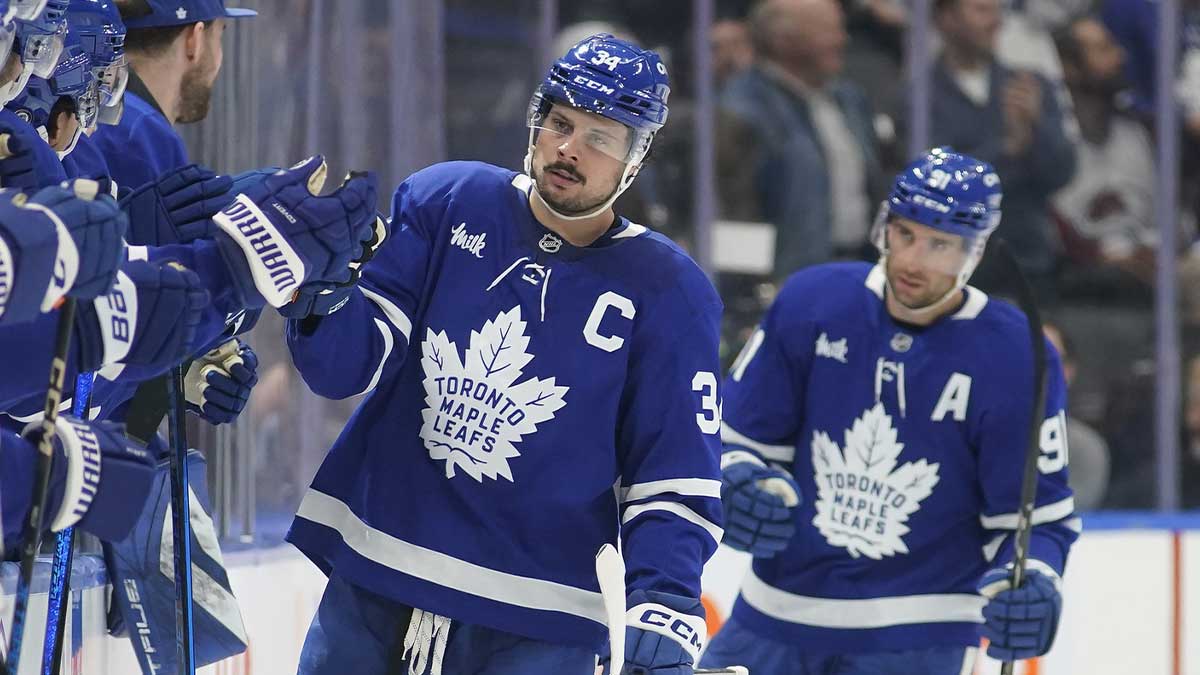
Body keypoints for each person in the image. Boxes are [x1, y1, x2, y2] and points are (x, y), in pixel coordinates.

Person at [286, 33, 723, 675]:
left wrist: (665, 595)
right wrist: (319, 294)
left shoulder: (670, 292)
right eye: (560, 122)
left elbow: (674, 472)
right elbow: (343, 367)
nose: (569, 148)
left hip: (541, 617)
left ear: (636, 157)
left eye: (601, 137)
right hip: (379, 575)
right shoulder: (448, 201)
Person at [700, 148, 1080, 675]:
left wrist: (1036, 578)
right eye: (904, 234)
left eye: (939, 245)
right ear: (884, 225)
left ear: (975, 250)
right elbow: (730, 439)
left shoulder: (1016, 354)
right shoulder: (813, 301)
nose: (912, 262)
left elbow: (1034, 520)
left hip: (923, 633)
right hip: (774, 613)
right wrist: (737, 480)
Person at [721, 0, 884, 277]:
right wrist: (749, 291)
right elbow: (737, 214)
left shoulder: (850, 100)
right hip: (788, 280)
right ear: (784, 41)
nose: (842, 39)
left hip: (860, 269)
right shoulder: (741, 110)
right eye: (828, 30)